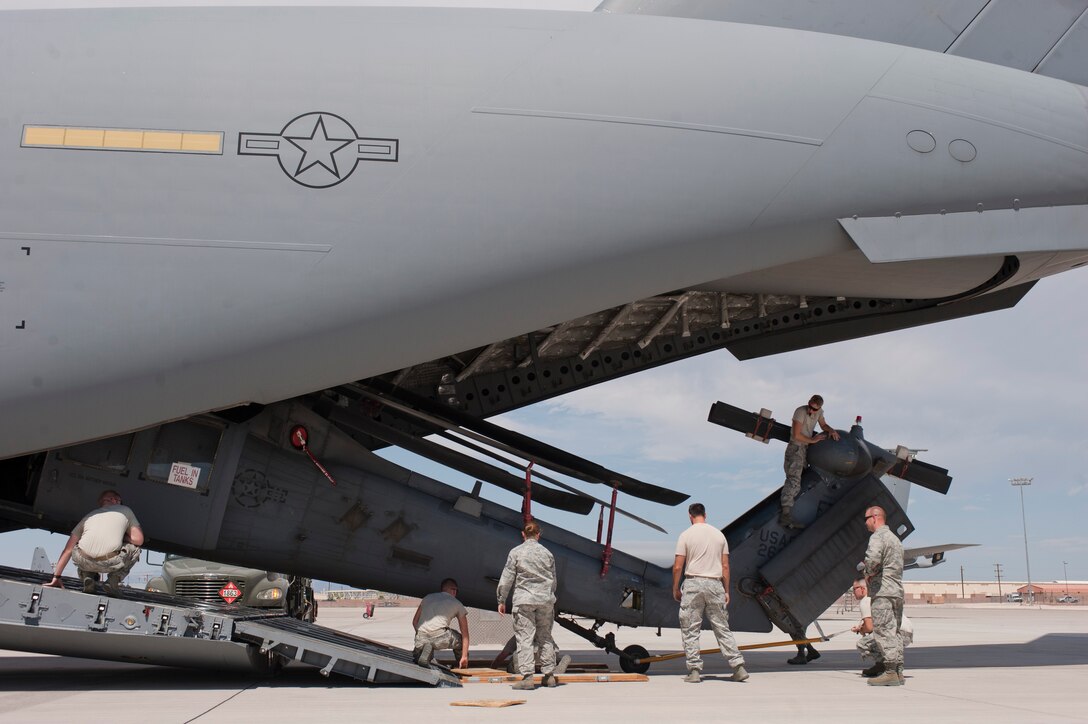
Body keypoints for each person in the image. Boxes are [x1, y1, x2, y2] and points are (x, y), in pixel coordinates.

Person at [672, 503, 748, 683]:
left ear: (690, 516)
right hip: (715, 584)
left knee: (691, 628)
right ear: (705, 514)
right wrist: (726, 590)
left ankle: (694, 671)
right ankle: (738, 667)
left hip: (693, 583)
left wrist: (676, 587)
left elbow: (677, 566)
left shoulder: (686, 535)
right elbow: (725, 566)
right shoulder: (719, 535)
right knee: (722, 627)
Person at [496, 521, 559, 690]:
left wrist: (501, 600)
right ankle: (549, 676)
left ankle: (528, 678)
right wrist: (549, 596)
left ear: (523, 534)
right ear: (538, 535)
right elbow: (553, 581)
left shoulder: (516, 552)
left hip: (524, 601)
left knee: (525, 638)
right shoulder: (548, 554)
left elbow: (506, 578)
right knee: (545, 636)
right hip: (545, 600)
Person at [43, 489, 143, 596]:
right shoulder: (125, 510)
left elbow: (67, 550)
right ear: (115, 500)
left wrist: (56, 577)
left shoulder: (88, 516)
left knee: (79, 547)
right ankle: (113, 581)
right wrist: (123, 537)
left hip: (84, 562)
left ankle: (88, 577)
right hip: (110, 562)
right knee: (134, 549)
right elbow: (138, 539)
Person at [861, 505, 905, 686]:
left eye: (866, 519)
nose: (865, 523)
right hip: (896, 591)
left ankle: (889, 672)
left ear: (875, 517)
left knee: (883, 631)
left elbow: (872, 560)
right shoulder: (895, 539)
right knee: (894, 632)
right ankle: (898, 671)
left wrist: (867, 573)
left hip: (883, 592)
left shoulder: (877, 537)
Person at [780, 394, 839, 529]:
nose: (811, 411)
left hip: (804, 450)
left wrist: (831, 430)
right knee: (794, 481)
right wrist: (813, 440)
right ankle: (785, 516)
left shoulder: (819, 413)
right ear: (809, 403)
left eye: (814, 410)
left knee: (802, 481)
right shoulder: (800, 412)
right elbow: (796, 435)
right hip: (796, 448)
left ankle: (790, 513)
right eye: (810, 407)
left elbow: (823, 424)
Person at [851, 578, 913, 677]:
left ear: (862, 589)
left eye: (854, 589)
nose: (853, 592)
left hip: (895, 633)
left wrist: (861, 629)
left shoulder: (866, 600)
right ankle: (890, 667)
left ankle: (884, 666)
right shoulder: (879, 597)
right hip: (907, 633)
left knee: (862, 644)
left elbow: (869, 627)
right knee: (878, 639)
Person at [412, 578, 471, 669]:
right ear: (454, 591)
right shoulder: (457, 603)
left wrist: (421, 634)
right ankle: (462, 665)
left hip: (421, 636)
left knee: (419, 656)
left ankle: (423, 653)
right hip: (440, 636)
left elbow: (414, 622)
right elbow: (465, 634)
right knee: (460, 640)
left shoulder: (427, 597)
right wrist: (464, 656)